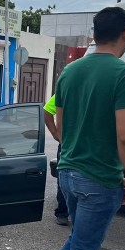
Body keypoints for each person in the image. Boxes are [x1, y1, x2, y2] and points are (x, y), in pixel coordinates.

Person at [36, 6, 125, 250]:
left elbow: (62, 128)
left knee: (76, 241)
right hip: (99, 178)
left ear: (94, 33)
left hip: (68, 172)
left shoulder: (69, 71)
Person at [43, 94, 69, 225]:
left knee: (64, 176)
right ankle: (63, 212)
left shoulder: (67, 88)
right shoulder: (66, 89)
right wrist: (55, 134)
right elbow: (47, 111)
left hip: (68, 143)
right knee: (64, 176)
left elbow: (47, 112)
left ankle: (63, 213)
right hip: (69, 143)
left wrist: (56, 134)